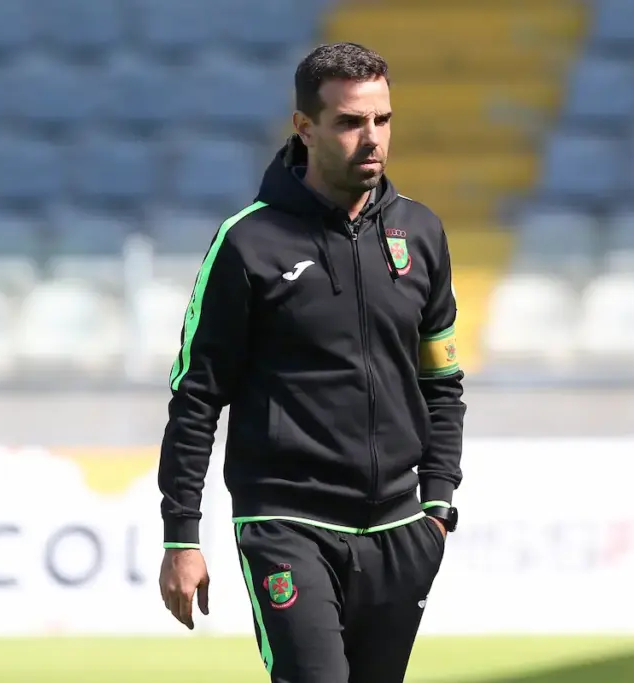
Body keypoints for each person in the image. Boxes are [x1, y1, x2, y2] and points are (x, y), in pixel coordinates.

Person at [157, 42, 466, 683]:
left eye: (382, 119)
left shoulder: (421, 233)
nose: (372, 138)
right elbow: (196, 396)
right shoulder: (247, 242)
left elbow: (442, 382)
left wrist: (437, 505)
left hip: (400, 529)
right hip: (287, 523)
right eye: (350, 122)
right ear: (305, 127)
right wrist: (181, 534)